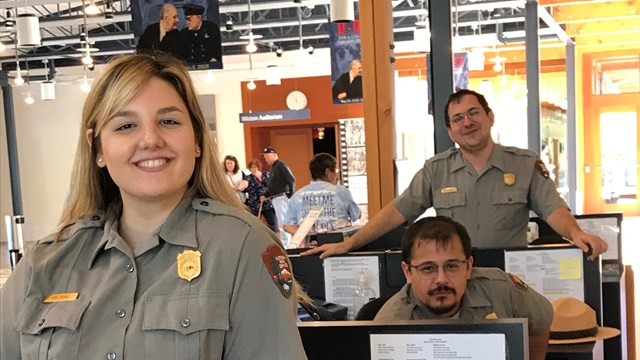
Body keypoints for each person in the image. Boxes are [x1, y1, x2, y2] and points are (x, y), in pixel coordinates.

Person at [0, 54, 307, 360]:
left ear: (197, 139)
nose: (150, 139)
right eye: (125, 126)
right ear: (98, 148)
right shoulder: (44, 262)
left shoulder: (242, 247)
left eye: (168, 121)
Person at [305, 89, 608, 260]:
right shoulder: (436, 170)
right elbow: (397, 211)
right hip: (455, 279)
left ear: (489, 117)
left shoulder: (524, 164)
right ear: (450, 131)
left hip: (510, 276)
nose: (467, 123)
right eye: (458, 119)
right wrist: (348, 243)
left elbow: (553, 208)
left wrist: (575, 233)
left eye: (474, 113)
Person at [375, 216, 553, 360]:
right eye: (428, 268)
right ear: (408, 272)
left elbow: (540, 323)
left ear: (468, 267)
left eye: (452, 266)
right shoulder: (389, 324)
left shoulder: (500, 287)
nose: (441, 279)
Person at [283, 153, 361, 241]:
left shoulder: (297, 195)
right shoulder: (341, 191)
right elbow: (356, 215)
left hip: (310, 247)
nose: (337, 175)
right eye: (336, 170)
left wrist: (309, 235)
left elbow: (287, 226)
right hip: (337, 245)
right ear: (327, 172)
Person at [262, 146, 296, 247]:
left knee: (283, 223)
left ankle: (287, 246)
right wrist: (266, 195)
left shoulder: (281, 165)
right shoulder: (274, 167)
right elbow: (275, 184)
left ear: (275, 155)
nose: (266, 159)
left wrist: (290, 195)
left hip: (282, 197)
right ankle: (286, 244)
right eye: (265, 157)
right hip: (276, 198)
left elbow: (291, 180)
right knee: (281, 222)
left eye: (267, 156)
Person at [244, 158, 278, 233]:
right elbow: (244, 183)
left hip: (267, 203)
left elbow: (272, 185)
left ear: (258, 167)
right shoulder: (248, 177)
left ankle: (272, 237)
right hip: (254, 204)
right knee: (253, 222)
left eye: (255, 167)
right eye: (251, 168)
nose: (253, 169)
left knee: (272, 223)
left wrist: (267, 195)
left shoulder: (266, 174)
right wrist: (240, 186)